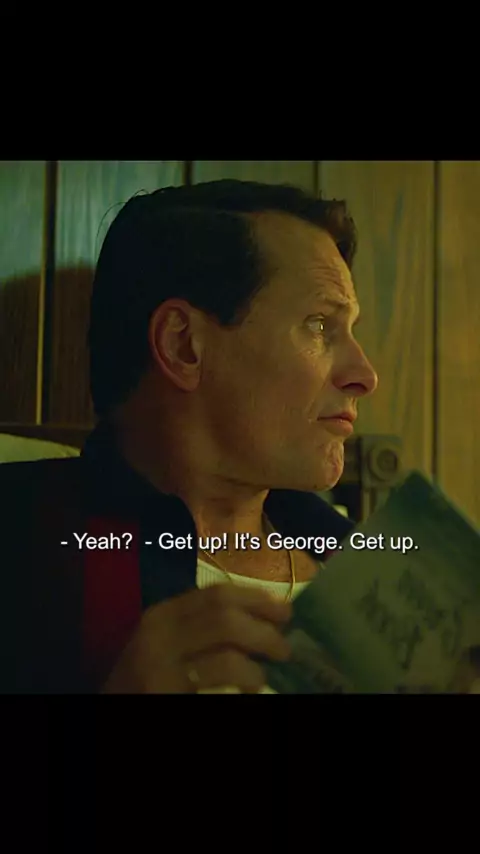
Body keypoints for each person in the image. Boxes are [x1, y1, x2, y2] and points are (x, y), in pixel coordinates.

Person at [0, 180, 378, 694]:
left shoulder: (379, 577)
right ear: (183, 346)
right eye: (319, 325)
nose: (365, 376)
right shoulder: (20, 545)